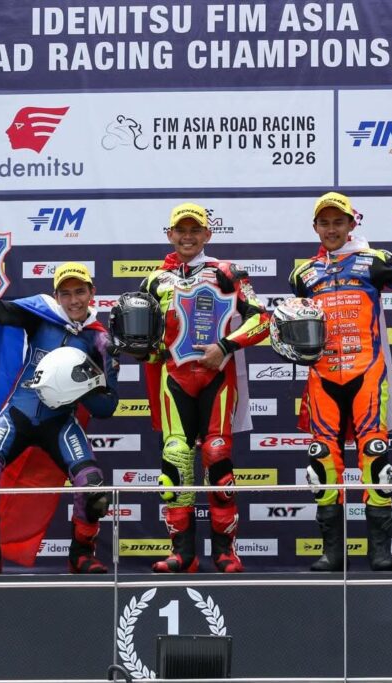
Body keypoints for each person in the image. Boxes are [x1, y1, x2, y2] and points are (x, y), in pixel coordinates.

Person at [288, 192, 392, 572]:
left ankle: (380, 551)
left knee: (375, 456)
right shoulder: (302, 275)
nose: (331, 229)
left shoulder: (374, 261)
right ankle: (332, 552)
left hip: (367, 373)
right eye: (325, 223)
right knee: (321, 461)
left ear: (351, 224)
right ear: (315, 227)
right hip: (322, 377)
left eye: (338, 222)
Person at [0, 246, 119, 574]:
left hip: (60, 423)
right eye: (66, 293)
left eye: (80, 292)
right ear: (56, 296)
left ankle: (82, 555)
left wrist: (87, 382)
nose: (73, 300)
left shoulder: (100, 341)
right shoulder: (41, 315)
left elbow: (106, 407)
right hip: (18, 414)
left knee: (93, 487)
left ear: (92, 293)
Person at [127, 202, 270, 573]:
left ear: (208, 234)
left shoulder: (227, 272)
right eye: (181, 230)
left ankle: (226, 552)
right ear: (170, 235)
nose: (187, 237)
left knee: (217, 456)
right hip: (174, 379)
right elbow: (148, 341)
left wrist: (224, 346)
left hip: (216, 376)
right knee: (175, 459)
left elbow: (262, 320)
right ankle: (183, 554)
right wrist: (139, 349)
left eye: (195, 230)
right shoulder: (155, 281)